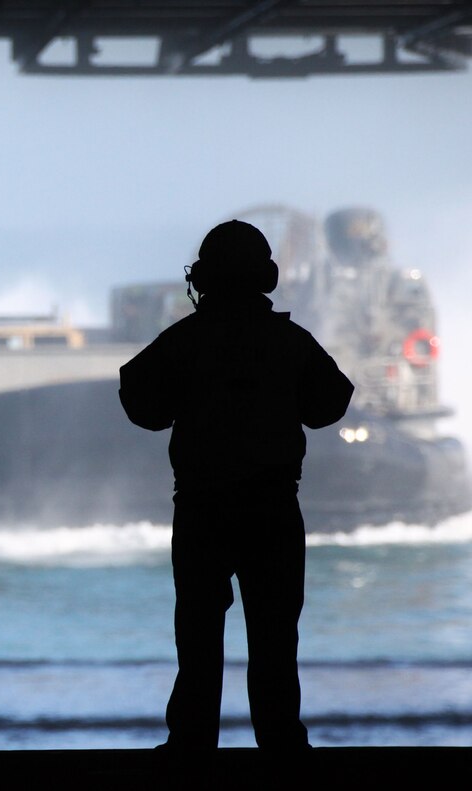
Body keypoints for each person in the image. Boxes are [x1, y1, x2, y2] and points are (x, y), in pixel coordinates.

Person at [118, 220, 354, 755]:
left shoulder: (185, 340)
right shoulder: (288, 341)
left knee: (198, 636)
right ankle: (281, 746)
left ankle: (191, 745)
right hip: (272, 508)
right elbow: (330, 403)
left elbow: (141, 404)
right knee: (274, 638)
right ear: (265, 277)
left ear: (204, 278)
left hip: (202, 508)